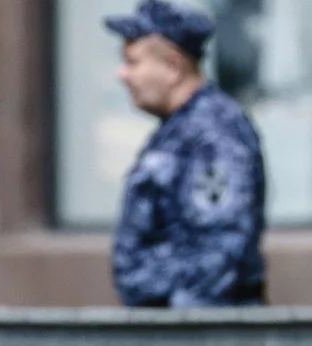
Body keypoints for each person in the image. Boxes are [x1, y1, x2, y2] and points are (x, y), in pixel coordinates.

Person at [105, 0, 267, 308]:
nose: (122, 75)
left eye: (133, 62)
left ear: (172, 68)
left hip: (202, 341)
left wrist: (181, 338)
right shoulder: (181, 130)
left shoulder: (214, 135)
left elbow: (218, 254)